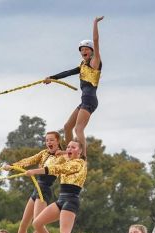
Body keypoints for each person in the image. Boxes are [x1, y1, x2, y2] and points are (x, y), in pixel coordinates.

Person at [44, 16, 104, 156]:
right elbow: (69, 72)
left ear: (91, 51)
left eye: (86, 49)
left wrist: (94, 23)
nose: (83, 51)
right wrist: (52, 78)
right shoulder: (82, 65)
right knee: (67, 127)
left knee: (78, 129)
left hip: (90, 99)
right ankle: (69, 154)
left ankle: (82, 158)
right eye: (81, 49)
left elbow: (96, 41)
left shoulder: (95, 62)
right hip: (84, 100)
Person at [24, 140, 87, 233]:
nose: (69, 149)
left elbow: (57, 168)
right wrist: (12, 166)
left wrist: (35, 171)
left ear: (80, 151)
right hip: (61, 199)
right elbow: (36, 159)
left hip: (71, 200)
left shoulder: (79, 163)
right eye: (68, 147)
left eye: (73, 147)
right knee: (37, 223)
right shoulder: (66, 159)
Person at [4, 132, 63, 233]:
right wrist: (12, 166)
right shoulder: (44, 153)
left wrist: (34, 172)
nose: (49, 143)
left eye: (51, 140)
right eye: (47, 140)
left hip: (44, 190)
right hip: (37, 189)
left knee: (37, 224)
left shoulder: (61, 157)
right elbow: (29, 160)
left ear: (58, 141)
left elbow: (50, 169)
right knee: (23, 223)